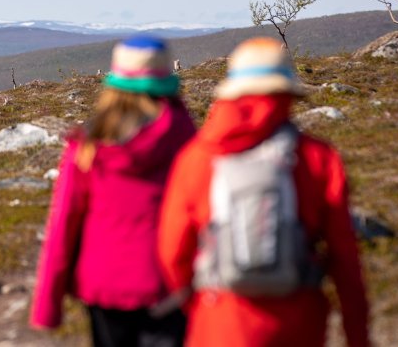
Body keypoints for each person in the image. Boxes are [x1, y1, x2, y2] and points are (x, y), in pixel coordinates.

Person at [158, 37, 371, 347]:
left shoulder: (196, 159)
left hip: (219, 323)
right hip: (299, 326)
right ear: (286, 92)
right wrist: (358, 335)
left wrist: (199, 302)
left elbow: (172, 252)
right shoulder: (318, 158)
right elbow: (345, 259)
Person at [30, 35, 196, 347]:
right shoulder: (188, 140)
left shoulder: (88, 147)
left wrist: (47, 306)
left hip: (104, 283)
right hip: (169, 284)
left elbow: (64, 221)